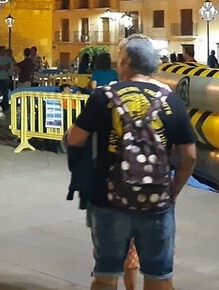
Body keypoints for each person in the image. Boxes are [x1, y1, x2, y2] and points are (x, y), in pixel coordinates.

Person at [66, 35, 197, 290]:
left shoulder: (104, 96)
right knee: (159, 277)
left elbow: (75, 139)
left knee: (105, 275)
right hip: (157, 201)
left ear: (126, 62)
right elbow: (190, 156)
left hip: (108, 201)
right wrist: (173, 191)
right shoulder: (170, 99)